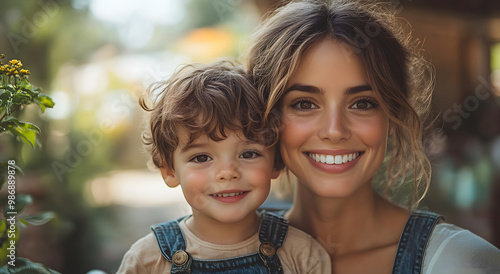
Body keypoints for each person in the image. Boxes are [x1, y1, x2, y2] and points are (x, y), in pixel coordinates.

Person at [246, 0, 500, 273]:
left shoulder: (463, 263)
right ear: (268, 119)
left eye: (362, 103)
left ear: (392, 115)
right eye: (304, 104)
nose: (335, 130)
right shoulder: (218, 259)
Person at [116, 60, 330, 273]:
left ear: (276, 162)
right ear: (169, 171)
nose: (227, 172)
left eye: (248, 154)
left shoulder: (303, 255)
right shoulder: (146, 261)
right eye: (201, 158)